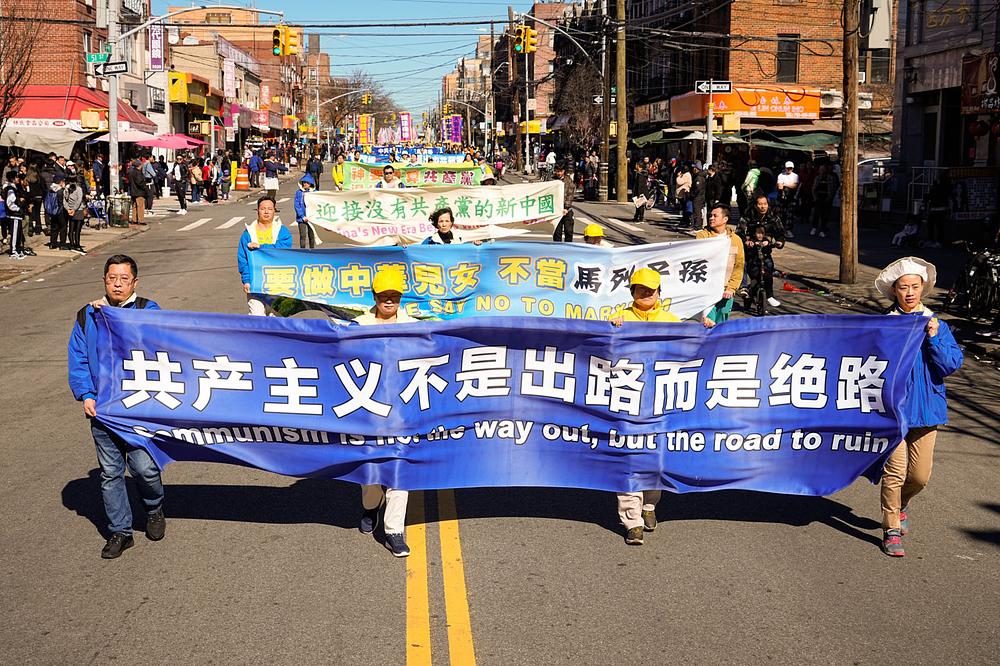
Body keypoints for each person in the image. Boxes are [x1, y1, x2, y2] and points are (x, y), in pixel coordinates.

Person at [67, 254, 165, 559]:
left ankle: (154, 509)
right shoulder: (88, 315)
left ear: (135, 282)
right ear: (104, 281)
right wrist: (86, 394)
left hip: (138, 408)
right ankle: (120, 532)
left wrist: (113, 317)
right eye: (112, 278)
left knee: (144, 468)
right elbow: (78, 358)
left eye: (124, 279)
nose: (117, 284)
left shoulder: (148, 310)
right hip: (103, 408)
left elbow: (158, 345)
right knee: (110, 473)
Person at [873, 257, 963, 557]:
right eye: (903, 287)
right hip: (892, 412)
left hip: (926, 411)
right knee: (895, 474)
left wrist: (934, 338)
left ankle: (901, 505)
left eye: (915, 286)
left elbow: (950, 365)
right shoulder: (884, 325)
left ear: (923, 288)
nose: (910, 292)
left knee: (919, 477)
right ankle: (891, 530)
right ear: (894, 291)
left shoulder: (936, 324)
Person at [607, 268, 679, 545]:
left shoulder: (672, 321)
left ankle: (649, 505)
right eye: (640, 289)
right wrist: (610, 330)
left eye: (651, 289)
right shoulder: (619, 318)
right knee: (630, 459)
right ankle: (632, 520)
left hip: (662, 402)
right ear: (632, 292)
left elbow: (695, 347)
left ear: (659, 292)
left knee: (656, 460)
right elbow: (598, 349)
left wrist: (706, 329)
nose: (646, 293)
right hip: (627, 401)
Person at [351, 267, 417, 557]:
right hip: (367, 411)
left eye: (394, 295)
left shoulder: (415, 327)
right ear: (374, 296)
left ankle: (394, 531)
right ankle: (370, 508)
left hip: (402, 411)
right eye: (383, 295)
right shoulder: (358, 326)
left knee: (399, 469)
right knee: (371, 473)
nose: (389, 300)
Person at [238, 196, 294, 316]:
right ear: (257, 211)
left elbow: (284, 251)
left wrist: (261, 247)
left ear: (274, 211)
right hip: (256, 283)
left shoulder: (282, 231)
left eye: (270, 209)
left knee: (277, 318)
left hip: (278, 282)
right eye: (263, 209)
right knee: (257, 317)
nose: (266, 212)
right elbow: (243, 259)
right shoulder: (248, 233)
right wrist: (246, 280)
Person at [696, 204, 745, 327]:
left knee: (721, 325)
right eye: (710, 215)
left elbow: (738, 267)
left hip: (725, 291)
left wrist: (731, 288)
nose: (711, 218)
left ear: (725, 219)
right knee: (707, 324)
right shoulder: (702, 236)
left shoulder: (736, 240)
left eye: (715, 216)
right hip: (706, 291)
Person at [742, 222, 782, 308]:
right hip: (754, 265)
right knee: (755, 280)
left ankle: (770, 296)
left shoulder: (766, 241)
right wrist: (749, 244)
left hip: (764, 266)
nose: (760, 235)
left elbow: (771, 246)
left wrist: (774, 244)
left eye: (762, 233)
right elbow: (747, 247)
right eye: (758, 233)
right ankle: (749, 294)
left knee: (768, 277)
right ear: (754, 233)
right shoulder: (751, 241)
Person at [3, 171, 30, 259]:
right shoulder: (11, 189)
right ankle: (13, 251)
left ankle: (17, 249)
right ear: (12, 179)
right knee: (14, 234)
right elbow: (10, 203)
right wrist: (18, 209)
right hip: (14, 215)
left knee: (18, 233)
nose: (18, 179)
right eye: (16, 177)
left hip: (17, 215)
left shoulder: (14, 188)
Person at [810, 164, 838, 238]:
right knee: (816, 213)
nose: (821, 171)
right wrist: (815, 197)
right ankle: (814, 227)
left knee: (825, 215)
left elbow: (834, 188)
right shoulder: (817, 177)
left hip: (827, 197)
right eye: (820, 169)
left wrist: (830, 197)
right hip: (818, 197)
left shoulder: (831, 178)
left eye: (823, 169)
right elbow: (813, 188)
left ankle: (822, 230)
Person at [552, 163, 577, 242]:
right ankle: (557, 248)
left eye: (560, 171)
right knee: (557, 233)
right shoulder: (552, 180)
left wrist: (566, 207)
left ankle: (568, 247)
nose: (559, 173)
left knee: (568, 231)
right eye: (557, 171)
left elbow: (570, 194)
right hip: (556, 210)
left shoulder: (568, 180)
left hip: (567, 210)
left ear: (564, 171)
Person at [63, 180, 87, 255]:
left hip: (70, 210)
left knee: (71, 228)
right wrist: (74, 209)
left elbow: (64, 200)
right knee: (77, 229)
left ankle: (72, 244)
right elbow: (79, 200)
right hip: (78, 210)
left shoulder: (66, 189)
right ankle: (77, 244)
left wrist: (68, 209)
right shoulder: (78, 189)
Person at [294, 174, 318, 249]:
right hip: (301, 219)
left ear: (310, 183)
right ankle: (303, 251)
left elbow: (318, 204)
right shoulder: (299, 192)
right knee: (302, 236)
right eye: (304, 182)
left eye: (307, 182)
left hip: (311, 218)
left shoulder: (315, 192)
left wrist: (313, 215)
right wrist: (302, 216)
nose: (305, 184)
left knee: (311, 236)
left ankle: (312, 250)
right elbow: (296, 205)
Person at [45, 173, 68, 249]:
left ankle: (53, 243)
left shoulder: (50, 189)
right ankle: (62, 244)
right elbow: (62, 202)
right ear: (61, 182)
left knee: (54, 227)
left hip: (52, 211)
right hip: (60, 211)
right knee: (63, 227)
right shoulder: (60, 190)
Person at [690, 162, 707, 230]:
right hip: (698, 196)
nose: (693, 169)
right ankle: (696, 225)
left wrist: (692, 194)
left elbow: (698, 188)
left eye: (694, 168)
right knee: (696, 211)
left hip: (698, 197)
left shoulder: (699, 177)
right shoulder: (697, 176)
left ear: (697, 169)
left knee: (697, 212)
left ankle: (698, 226)